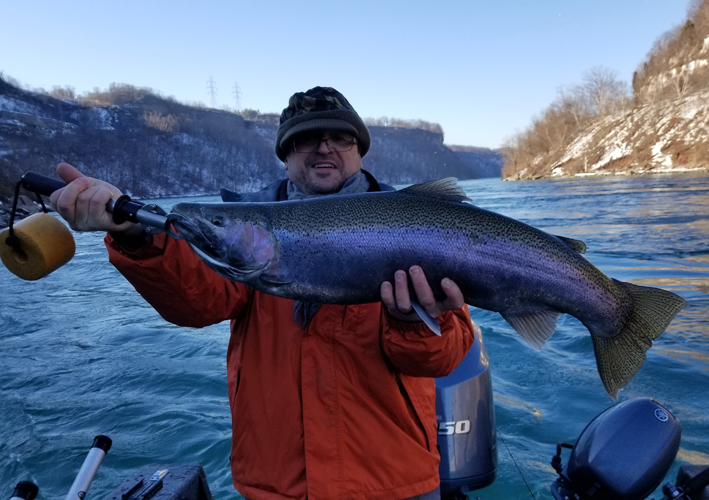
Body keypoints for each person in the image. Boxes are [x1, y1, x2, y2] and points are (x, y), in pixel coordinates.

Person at [50, 86, 476, 500]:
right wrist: (136, 237)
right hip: (277, 482)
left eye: (340, 137)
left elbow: (445, 357)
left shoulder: (420, 230)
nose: (324, 148)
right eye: (305, 139)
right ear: (286, 156)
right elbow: (197, 303)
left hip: (393, 479)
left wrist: (412, 322)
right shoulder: (248, 234)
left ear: (359, 149)